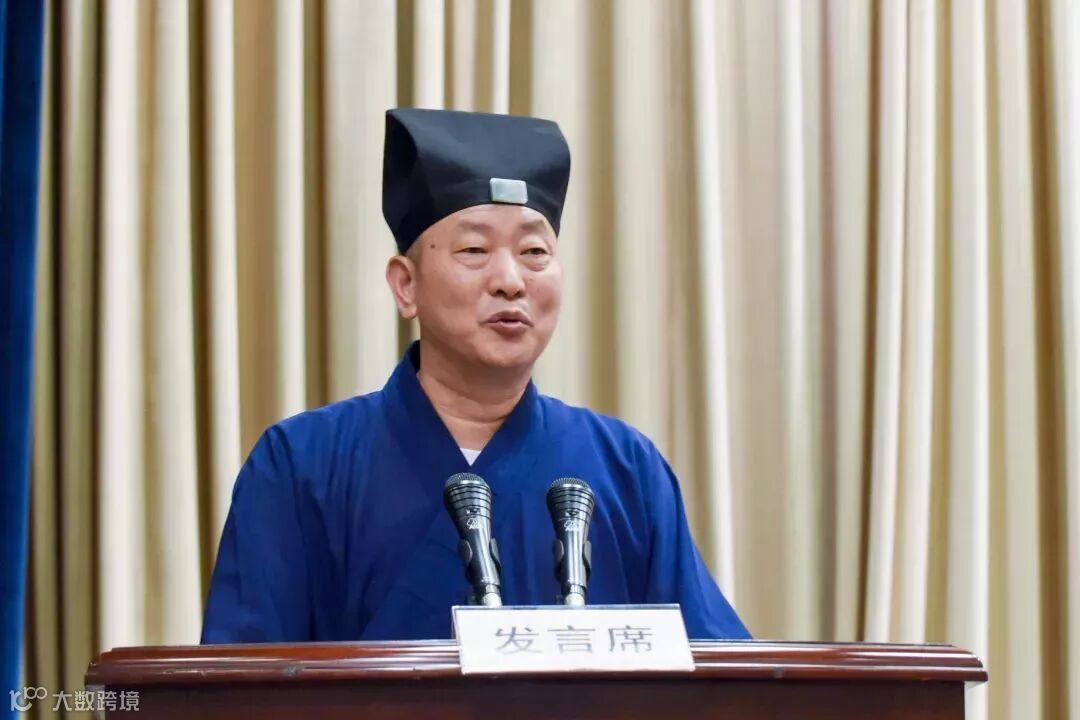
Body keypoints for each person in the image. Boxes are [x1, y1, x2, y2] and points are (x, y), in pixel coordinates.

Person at [201, 108, 750, 642]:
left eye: (534, 251)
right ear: (406, 285)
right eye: (474, 249)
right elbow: (245, 681)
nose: (510, 280)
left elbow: (717, 671)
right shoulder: (302, 465)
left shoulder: (625, 469)